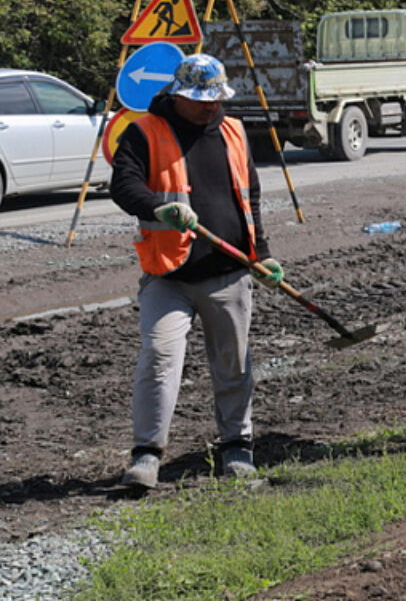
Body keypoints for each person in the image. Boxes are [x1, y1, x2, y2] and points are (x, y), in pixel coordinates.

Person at [111, 53, 284, 489]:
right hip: (168, 275)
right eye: (202, 99)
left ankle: (236, 448)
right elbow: (123, 184)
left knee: (234, 363)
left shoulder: (233, 130)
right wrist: (157, 205)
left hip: (229, 272)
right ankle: (147, 455)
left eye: (216, 99)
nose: (211, 107)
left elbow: (250, 195)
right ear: (179, 94)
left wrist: (260, 253)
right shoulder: (145, 131)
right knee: (159, 357)